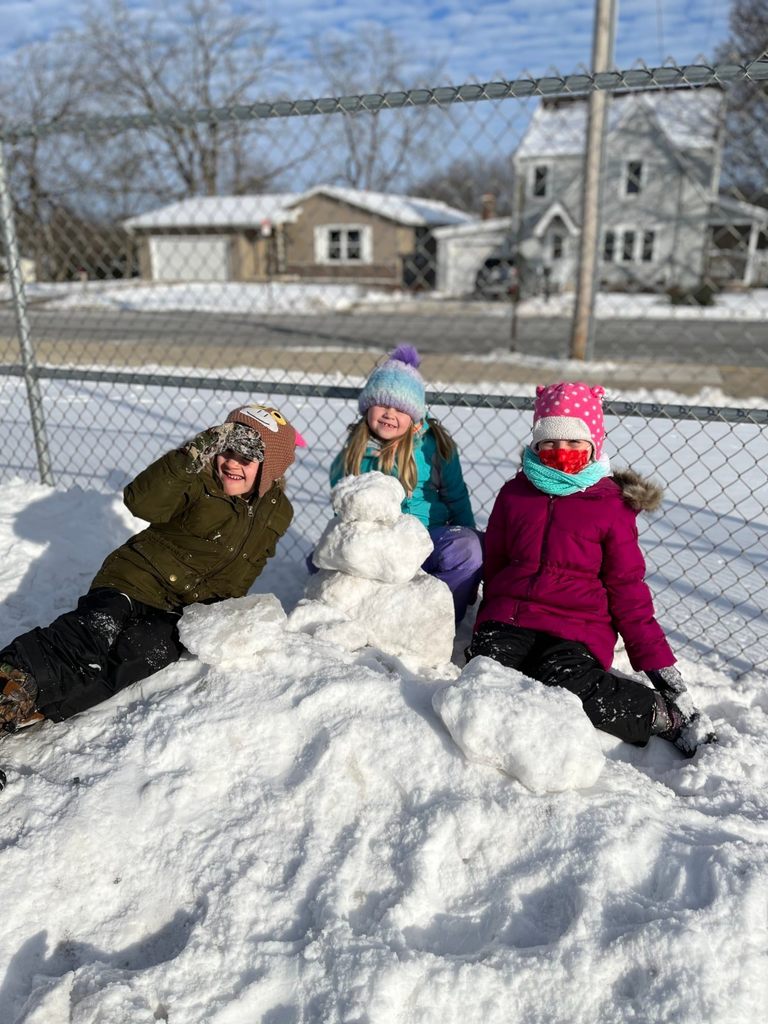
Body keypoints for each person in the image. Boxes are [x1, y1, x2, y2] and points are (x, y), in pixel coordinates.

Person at [0, 404, 304, 735]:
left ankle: (27, 705)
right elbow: (140, 502)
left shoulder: (278, 512)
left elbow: (249, 565)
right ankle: (9, 679)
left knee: (138, 656)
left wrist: (219, 612)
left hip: (180, 610)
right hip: (134, 580)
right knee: (91, 634)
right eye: (226, 450)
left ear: (271, 466)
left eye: (246, 458)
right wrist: (189, 456)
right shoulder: (197, 480)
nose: (231, 462)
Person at [467, 381, 715, 756]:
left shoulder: (611, 505)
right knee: (488, 676)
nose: (560, 451)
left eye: (572, 443)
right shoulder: (514, 494)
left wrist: (661, 671)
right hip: (513, 617)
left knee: (565, 682)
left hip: (577, 626)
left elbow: (627, 591)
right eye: (549, 442)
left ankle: (662, 716)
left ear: (594, 445)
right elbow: (496, 566)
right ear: (535, 445)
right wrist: (487, 622)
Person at [326, 345, 482, 623]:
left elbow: (456, 496)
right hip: (379, 543)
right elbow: (343, 501)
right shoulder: (356, 449)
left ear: (414, 416)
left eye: (400, 408)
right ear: (367, 407)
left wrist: (468, 532)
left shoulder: (433, 446)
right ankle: (367, 615)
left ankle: (438, 620)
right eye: (383, 404)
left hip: (428, 537)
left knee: (467, 549)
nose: (389, 413)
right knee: (322, 559)